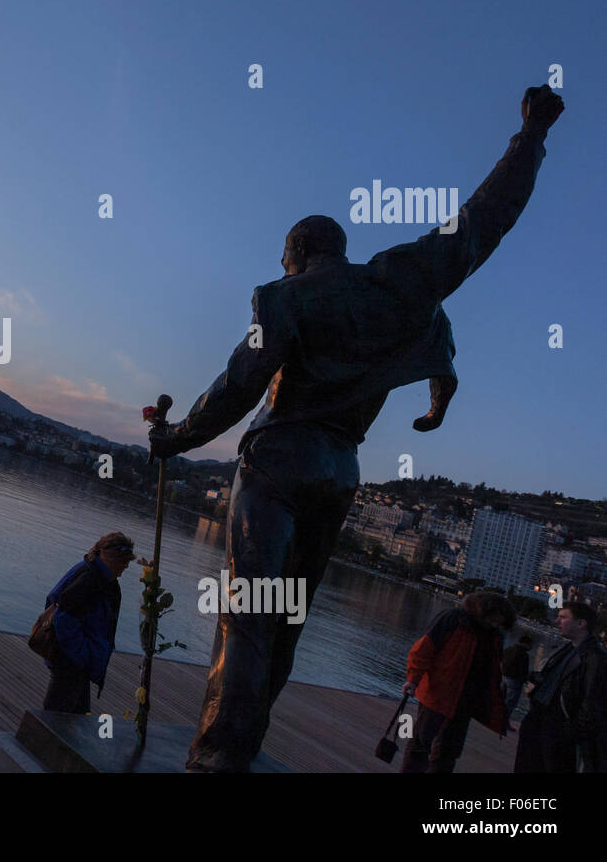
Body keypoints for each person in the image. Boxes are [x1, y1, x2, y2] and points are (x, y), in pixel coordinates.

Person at [149, 85, 563, 772]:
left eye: (287, 259)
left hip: (278, 464)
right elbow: (485, 221)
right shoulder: (403, 288)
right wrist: (531, 136)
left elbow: (239, 385)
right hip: (339, 474)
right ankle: (241, 748)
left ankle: (220, 754)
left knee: (249, 617)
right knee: (288, 623)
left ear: (298, 252)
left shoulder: (283, 296)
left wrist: (175, 438)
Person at [400, 592, 514, 773]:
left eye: (499, 623)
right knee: (421, 744)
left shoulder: (494, 636)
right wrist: (413, 680)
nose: (495, 624)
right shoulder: (453, 619)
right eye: (494, 620)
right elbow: (423, 650)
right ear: (484, 611)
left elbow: (492, 673)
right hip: (438, 694)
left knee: (449, 751)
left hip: (465, 701)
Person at [41, 532, 136, 714]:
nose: (125, 568)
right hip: (71, 662)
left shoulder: (100, 577)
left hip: (78, 663)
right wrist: (83, 656)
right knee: (56, 719)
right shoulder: (90, 579)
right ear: (109, 557)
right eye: (123, 562)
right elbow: (64, 618)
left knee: (77, 718)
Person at [515, 602, 607, 772]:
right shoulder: (566, 649)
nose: (557, 621)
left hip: (558, 730)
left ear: (581, 623)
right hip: (539, 721)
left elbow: (591, 701)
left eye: (563, 617)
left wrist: (571, 732)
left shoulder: (595, 658)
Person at [502, 634, 533, 728]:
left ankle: (498, 719)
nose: (531, 647)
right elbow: (522, 670)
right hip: (515, 681)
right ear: (526, 643)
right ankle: (504, 722)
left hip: (504, 677)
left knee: (502, 699)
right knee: (510, 703)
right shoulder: (523, 654)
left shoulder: (509, 649)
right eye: (531, 645)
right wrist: (526, 680)